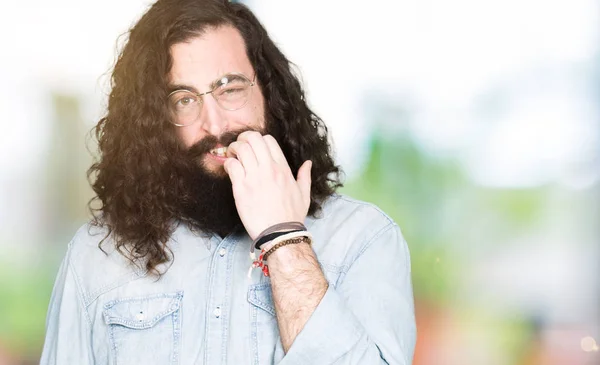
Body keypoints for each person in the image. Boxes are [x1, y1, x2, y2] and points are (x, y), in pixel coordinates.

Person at [40, 0, 416, 364]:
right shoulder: (96, 256)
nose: (215, 126)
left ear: (270, 92)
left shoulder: (363, 240)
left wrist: (283, 237)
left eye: (230, 89)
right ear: (153, 121)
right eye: (184, 100)